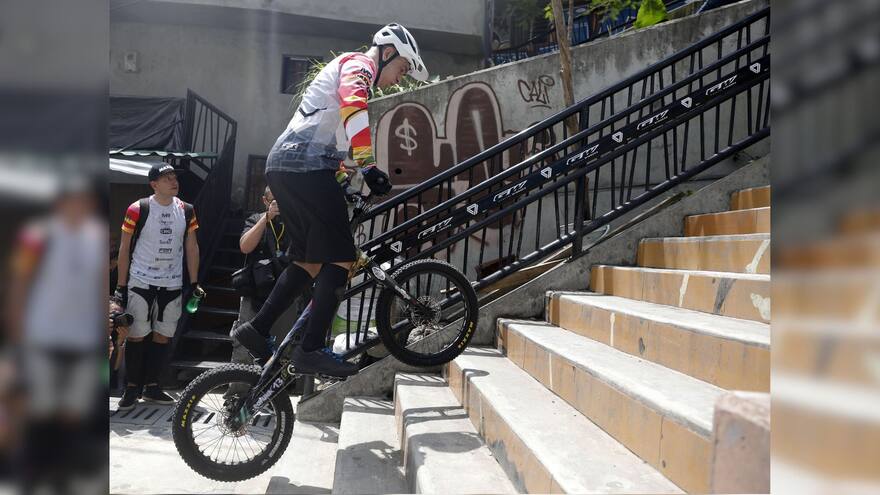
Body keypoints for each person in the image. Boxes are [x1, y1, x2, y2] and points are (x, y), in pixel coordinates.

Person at [233, 23, 427, 376]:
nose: (399, 79)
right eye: (401, 69)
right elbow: (354, 107)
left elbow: (329, 136)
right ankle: (311, 349)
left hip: (285, 165)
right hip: (304, 167)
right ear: (386, 53)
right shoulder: (359, 65)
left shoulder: (345, 73)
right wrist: (367, 165)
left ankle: (256, 329)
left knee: (307, 262)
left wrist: (344, 179)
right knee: (341, 258)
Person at [114, 164, 202, 411]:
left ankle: (152, 386)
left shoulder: (186, 210)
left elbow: (192, 247)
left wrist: (194, 282)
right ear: (154, 184)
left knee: (163, 335)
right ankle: (132, 387)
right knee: (137, 334)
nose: (174, 181)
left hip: (172, 282)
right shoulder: (138, 208)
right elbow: (124, 248)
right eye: (167, 178)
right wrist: (121, 285)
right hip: (141, 280)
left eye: (175, 177)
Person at [228, 186, 304, 377]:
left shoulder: (295, 221)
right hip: (255, 292)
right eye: (273, 201)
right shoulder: (255, 219)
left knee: (281, 346)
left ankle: (273, 395)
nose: (279, 205)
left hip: (285, 292)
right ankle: (237, 393)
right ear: (265, 201)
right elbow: (245, 246)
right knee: (243, 344)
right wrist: (266, 218)